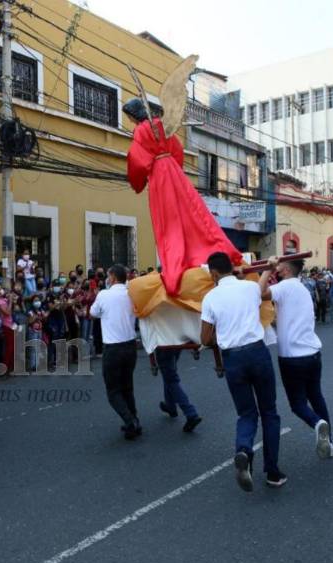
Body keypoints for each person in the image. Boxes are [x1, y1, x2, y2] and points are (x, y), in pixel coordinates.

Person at [123, 97, 242, 296]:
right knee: (193, 212)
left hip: (160, 174)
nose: (130, 121)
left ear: (134, 114)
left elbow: (137, 159)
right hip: (174, 171)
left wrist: (138, 181)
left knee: (169, 220)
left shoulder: (141, 130)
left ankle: (179, 260)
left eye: (129, 116)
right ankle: (215, 247)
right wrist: (172, 166)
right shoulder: (162, 125)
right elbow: (177, 150)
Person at [201, 252, 284, 491]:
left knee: (247, 414)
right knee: (269, 412)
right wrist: (269, 267)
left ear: (214, 273)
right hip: (257, 353)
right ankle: (273, 473)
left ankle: (244, 450)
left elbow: (205, 339)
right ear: (232, 268)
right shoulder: (249, 288)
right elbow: (261, 285)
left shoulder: (210, 298)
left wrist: (221, 335)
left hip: (233, 358)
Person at [259, 257, 333, 458]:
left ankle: (317, 423)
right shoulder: (302, 288)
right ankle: (329, 442)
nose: (277, 268)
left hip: (292, 357)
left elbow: (259, 293)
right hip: (312, 354)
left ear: (285, 269)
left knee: (298, 404)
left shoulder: (285, 286)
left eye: (279, 266)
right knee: (316, 396)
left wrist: (267, 269)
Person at [89, 265, 140, 440]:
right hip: (130, 345)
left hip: (113, 348)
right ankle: (134, 420)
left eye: (108, 276)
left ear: (112, 277)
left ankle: (130, 421)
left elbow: (93, 313)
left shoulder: (104, 294)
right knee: (127, 387)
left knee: (113, 391)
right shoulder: (131, 293)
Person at [154, 348, 202, 432]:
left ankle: (190, 413)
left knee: (171, 379)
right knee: (168, 374)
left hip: (163, 345)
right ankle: (170, 406)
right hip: (176, 344)